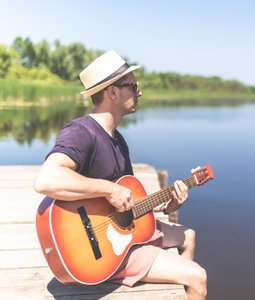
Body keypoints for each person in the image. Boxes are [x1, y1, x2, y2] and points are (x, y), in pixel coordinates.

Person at [33, 50, 207, 299]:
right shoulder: (81, 131)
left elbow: (128, 204)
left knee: (188, 235)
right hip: (98, 252)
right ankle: (184, 279)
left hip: (119, 237)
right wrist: (108, 189)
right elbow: (46, 180)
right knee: (197, 276)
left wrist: (168, 205)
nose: (139, 92)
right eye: (133, 86)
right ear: (113, 92)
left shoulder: (118, 141)